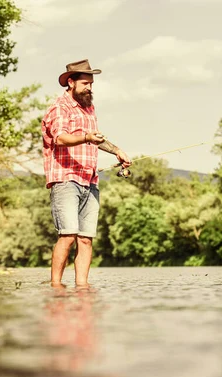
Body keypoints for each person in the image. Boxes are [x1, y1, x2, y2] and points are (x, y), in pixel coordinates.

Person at [41, 59, 132, 287]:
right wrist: (86, 137)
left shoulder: (89, 108)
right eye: (85, 83)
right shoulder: (59, 108)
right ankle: (56, 287)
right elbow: (60, 138)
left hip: (90, 180)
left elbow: (96, 137)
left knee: (86, 239)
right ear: (70, 82)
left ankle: (82, 287)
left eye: (91, 83)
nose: (89, 87)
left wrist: (116, 151)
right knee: (68, 235)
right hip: (65, 179)